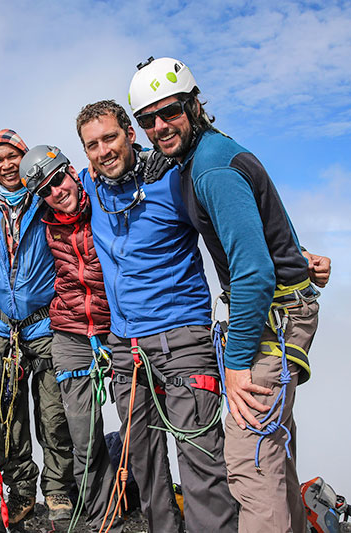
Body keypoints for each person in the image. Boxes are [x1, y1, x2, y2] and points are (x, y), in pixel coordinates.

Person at [127, 56, 330, 533]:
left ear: (195, 105)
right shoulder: (204, 155)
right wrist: (301, 257)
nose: (160, 126)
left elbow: (254, 271)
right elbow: (260, 229)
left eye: (170, 111)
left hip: (267, 321)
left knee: (249, 461)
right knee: (272, 446)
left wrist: (237, 365)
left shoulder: (211, 169)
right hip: (278, 311)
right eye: (148, 119)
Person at [75, 98, 238, 532]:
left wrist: (295, 255)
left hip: (183, 338)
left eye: (110, 137)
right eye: (92, 145)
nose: (103, 150)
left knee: (201, 458)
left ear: (130, 134)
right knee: (143, 461)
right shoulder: (89, 186)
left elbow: (234, 221)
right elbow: (34, 186)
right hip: (127, 349)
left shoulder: (173, 179)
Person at [0, 128, 75, 525]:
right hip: (2, 330)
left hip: (45, 324)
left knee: (53, 413)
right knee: (7, 414)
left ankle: (59, 489)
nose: (7, 165)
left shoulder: (43, 196)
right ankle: (22, 490)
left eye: (13, 156)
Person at [18, 145, 123, 533]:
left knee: (137, 428)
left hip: (120, 327)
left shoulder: (104, 195)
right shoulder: (44, 221)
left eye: (58, 179)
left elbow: (132, 160)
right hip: (70, 331)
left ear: (72, 171)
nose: (56, 191)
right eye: (44, 189)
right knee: (83, 433)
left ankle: (143, 501)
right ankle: (100, 519)